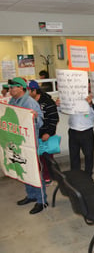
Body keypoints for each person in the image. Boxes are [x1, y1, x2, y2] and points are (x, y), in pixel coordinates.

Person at [7, 77, 48, 214]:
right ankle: (31, 195)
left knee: (35, 170)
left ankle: (42, 200)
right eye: (10, 88)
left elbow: (41, 122)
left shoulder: (29, 103)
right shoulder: (13, 101)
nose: (10, 90)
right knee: (24, 169)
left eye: (13, 88)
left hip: (29, 143)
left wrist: (35, 118)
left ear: (20, 88)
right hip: (19, 142)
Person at [28, 80, 59, 183]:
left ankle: (49, 176)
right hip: (34, 135)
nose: (27, 93)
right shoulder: (28, 102)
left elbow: (54, 119)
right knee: (37, 159)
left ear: (34, 91)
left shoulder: (48, 102)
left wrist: (49, 133)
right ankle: (39, 176)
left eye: (29, 90)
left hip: (46, 135)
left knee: (47, 159)